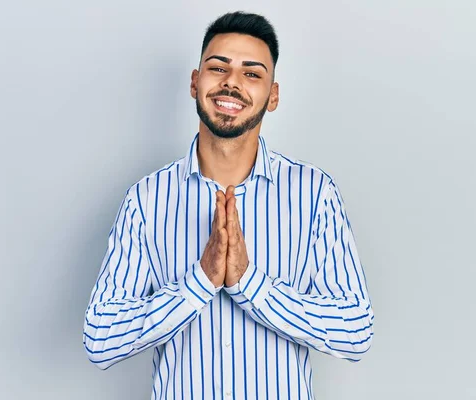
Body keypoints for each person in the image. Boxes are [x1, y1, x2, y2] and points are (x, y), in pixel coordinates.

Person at [83, 11, 374, 399]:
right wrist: (198, 283)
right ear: (194, 82)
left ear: (272, 96)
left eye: (252, 73)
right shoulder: (147, 199)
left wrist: (250, 286)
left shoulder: (314, 193)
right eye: (218, 67)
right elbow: (100, 340)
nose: (231, 82)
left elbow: (355, 331)